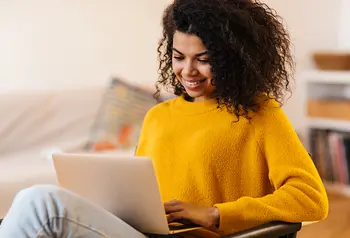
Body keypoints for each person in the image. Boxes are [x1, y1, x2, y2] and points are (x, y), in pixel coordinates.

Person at [0, 0, 328, 237]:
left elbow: (311, 199)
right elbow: (135, 193)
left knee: (40, 203)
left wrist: (216, 215)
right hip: (144, 234)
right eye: (178, 57)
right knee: (33, 209)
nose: (188, 71)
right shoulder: (158, 116)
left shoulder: (260, 113)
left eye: (203, 59)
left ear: (233, 60)